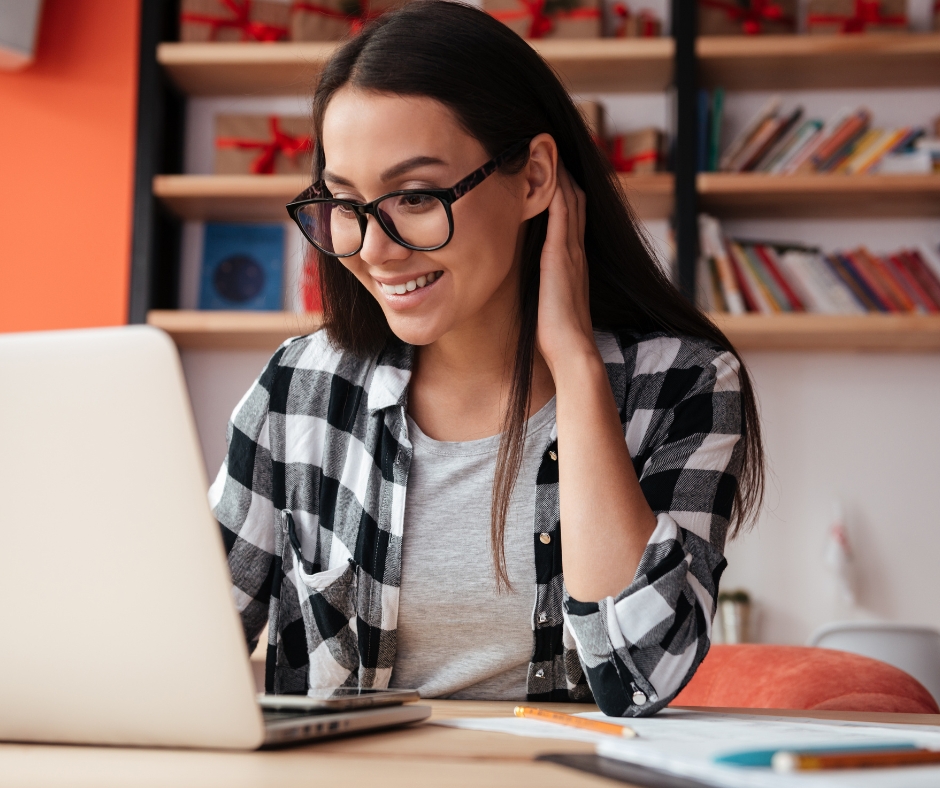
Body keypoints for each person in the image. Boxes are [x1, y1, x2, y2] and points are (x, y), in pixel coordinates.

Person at [209, 0, 764, 717]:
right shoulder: (299, 389)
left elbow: (641, 674)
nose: (374, 249)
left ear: (533, 178)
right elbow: (185, 650)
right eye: (346, 202)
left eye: (413, 196)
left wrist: (576, 367)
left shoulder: (682, 383)